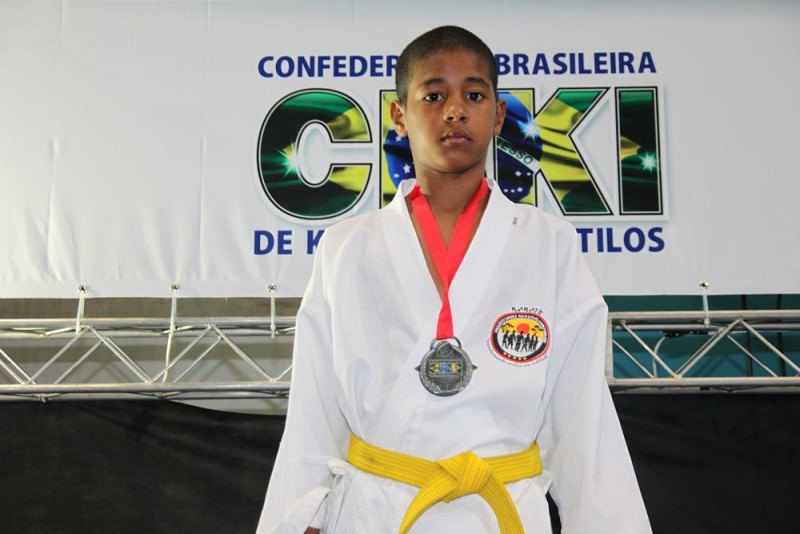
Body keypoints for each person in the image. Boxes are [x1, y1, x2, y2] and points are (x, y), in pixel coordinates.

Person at [257, 25, 651, 533]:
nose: (455, 111)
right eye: (434, 95)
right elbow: (313, 410)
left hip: (500, 509)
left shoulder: (549, 244)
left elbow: (583, 415)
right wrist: (300, 516)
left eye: (474, 95)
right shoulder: (346, 247)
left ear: (499, 114)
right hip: (379, 510)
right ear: (399, 116)